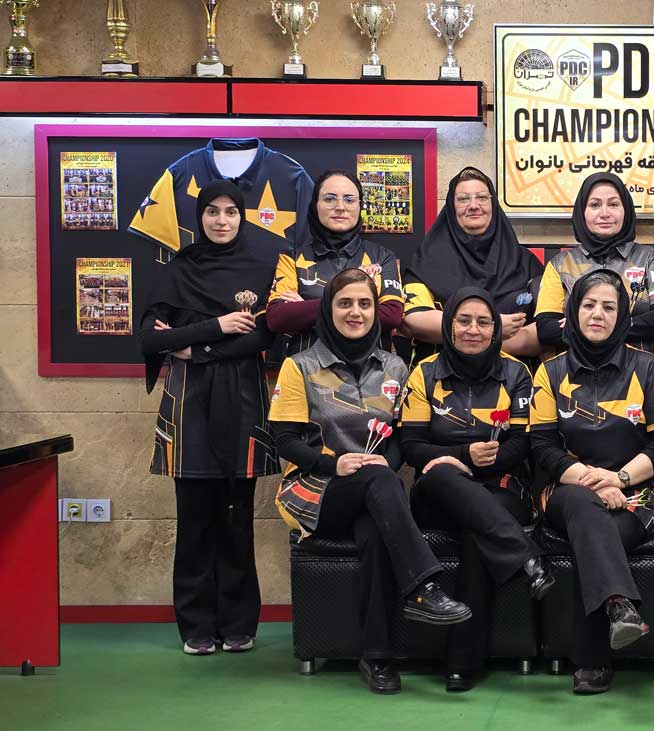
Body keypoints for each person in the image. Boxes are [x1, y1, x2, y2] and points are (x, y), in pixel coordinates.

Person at [268, 268, 471, 695]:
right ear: (328, 309)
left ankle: (377, 657)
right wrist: (334, 464)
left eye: (364, 303)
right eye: (345, 303)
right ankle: (424, 585)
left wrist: (382, 463)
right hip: (316, 491)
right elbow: (284, 441)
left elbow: (398, 440)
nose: (355, 312)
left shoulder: (395, 366)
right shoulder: (299, 366)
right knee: (378, 480)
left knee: (378, 530)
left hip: (375, 494)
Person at [139, 180, 279, 657]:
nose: (221, 221)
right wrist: (216, 327)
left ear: (243, 217)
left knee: (237, 519)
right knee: (195, 519)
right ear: (198, 217)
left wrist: (192, 346)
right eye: (212, 212)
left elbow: (262, 336)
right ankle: (196, 625)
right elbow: (150, 339)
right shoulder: (179, 269)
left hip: (242, 402)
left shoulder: (262, 268)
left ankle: (238, 623)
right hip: (189, 405)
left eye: (231, 212)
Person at [529, 269, 654, 694]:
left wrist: (619, 477)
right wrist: (591, 482)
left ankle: (594, 659)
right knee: (585, 510)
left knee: (596, 536)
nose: (598, 314)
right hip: (569, 490)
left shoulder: (645, 367)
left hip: (639, 492)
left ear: (622, 317)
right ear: (573, 311)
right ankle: (619, 605)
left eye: (609, 307)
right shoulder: (550, 372)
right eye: (589, 305)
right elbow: (542, 446)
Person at [401, 287, 555, 692]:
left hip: (500, 486)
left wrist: (482, 462)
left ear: (495, 329)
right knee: (444, 476)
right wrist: (460, 456)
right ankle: (526, 555)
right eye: (464, 321)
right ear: (449, 326)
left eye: (483, 322)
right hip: (437, 489)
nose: (473, 330)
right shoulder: (424, 373)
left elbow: (524, 444)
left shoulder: (517, 373)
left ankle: (462, 662)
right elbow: (411, 446)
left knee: (478, 527)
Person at [403, 167, 544, 360]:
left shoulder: (525, 262)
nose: (473, 205)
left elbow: (546, 325)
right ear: (451, 207)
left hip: (512, 375)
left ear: (493, 204)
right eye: (463, 199)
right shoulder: (426, 260)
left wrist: (481, 343)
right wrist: (494, 328)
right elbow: (414, 318)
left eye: (482, 198)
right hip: (441, 373)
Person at [535, 172, 654, 362]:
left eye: (613, 204)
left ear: (626, 210)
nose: (604, 213)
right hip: (574, 371)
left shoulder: (650, 258)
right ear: (582, 212)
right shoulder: (559, 264)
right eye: (595, 205)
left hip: (641, 370)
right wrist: (629, 324)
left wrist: (583, 326)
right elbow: (546, 328)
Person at [265, 170, 404, 357]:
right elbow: (277, 317)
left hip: (372, 369)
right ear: (315, 205)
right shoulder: (292, 258)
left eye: (349, 199)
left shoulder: (382, 257)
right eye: (330, 199)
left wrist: (307, 308)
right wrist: (361, 307)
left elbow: (392, 315)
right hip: (307, 369)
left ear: (360, 205)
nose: (340, 207)